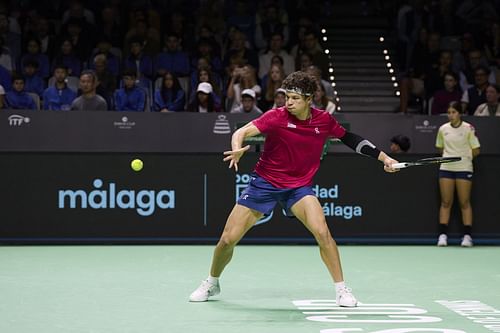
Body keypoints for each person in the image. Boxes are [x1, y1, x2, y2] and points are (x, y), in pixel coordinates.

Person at [189, 71, 399, 305]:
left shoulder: (323, 121)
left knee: (322, 232)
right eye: (287, 97)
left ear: (309, 99)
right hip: (265, 183)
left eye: (294, 98)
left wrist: (385, 159)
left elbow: (351, 139)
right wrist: (237, 147)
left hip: (299, 187)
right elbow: (242, 131)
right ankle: (212, 282)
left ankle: (342, 289)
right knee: (228, 239)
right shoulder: (276, 117)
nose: (288, 102)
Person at [436, 101, 480, 247]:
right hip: (446, 168)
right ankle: (442, 236)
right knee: (446, 202)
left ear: (459, 113)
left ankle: (467, 236)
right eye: (449, 112)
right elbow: (440, 148)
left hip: (464, 168)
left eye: (454, 112)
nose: (451, 115)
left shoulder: (468, 128)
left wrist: (464, 160)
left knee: (464, 202)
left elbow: (476, 150)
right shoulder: (443, 129)